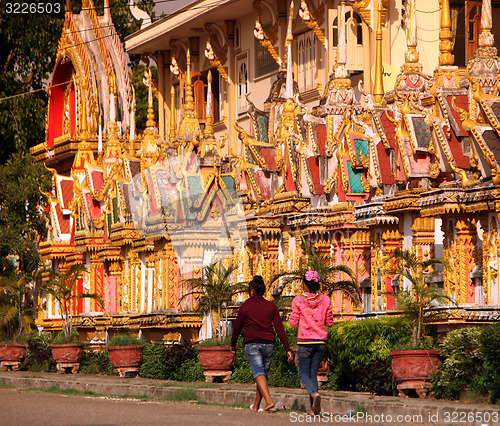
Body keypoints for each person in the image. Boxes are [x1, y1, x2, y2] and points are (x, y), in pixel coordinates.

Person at [231, 275, 293, 412]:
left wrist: (233, 343)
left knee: (259, 372)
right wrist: (287, 348)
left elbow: (237, 327)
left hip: (252, 343)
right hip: (269, 343)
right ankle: (256, 406)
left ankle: (269, 401)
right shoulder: (271, 306)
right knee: (262, 374)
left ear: (252, 291)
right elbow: (279, 328)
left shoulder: (246, 306)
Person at [289, 270, 333, 416]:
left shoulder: (298, 300)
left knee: (302, 374)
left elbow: (293, 323)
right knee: (313, 374)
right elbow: (329, 322)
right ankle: (313, 409)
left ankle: (314, 394)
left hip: (304, 342)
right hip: (320, 341)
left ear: (304, 284)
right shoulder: (326, 300)